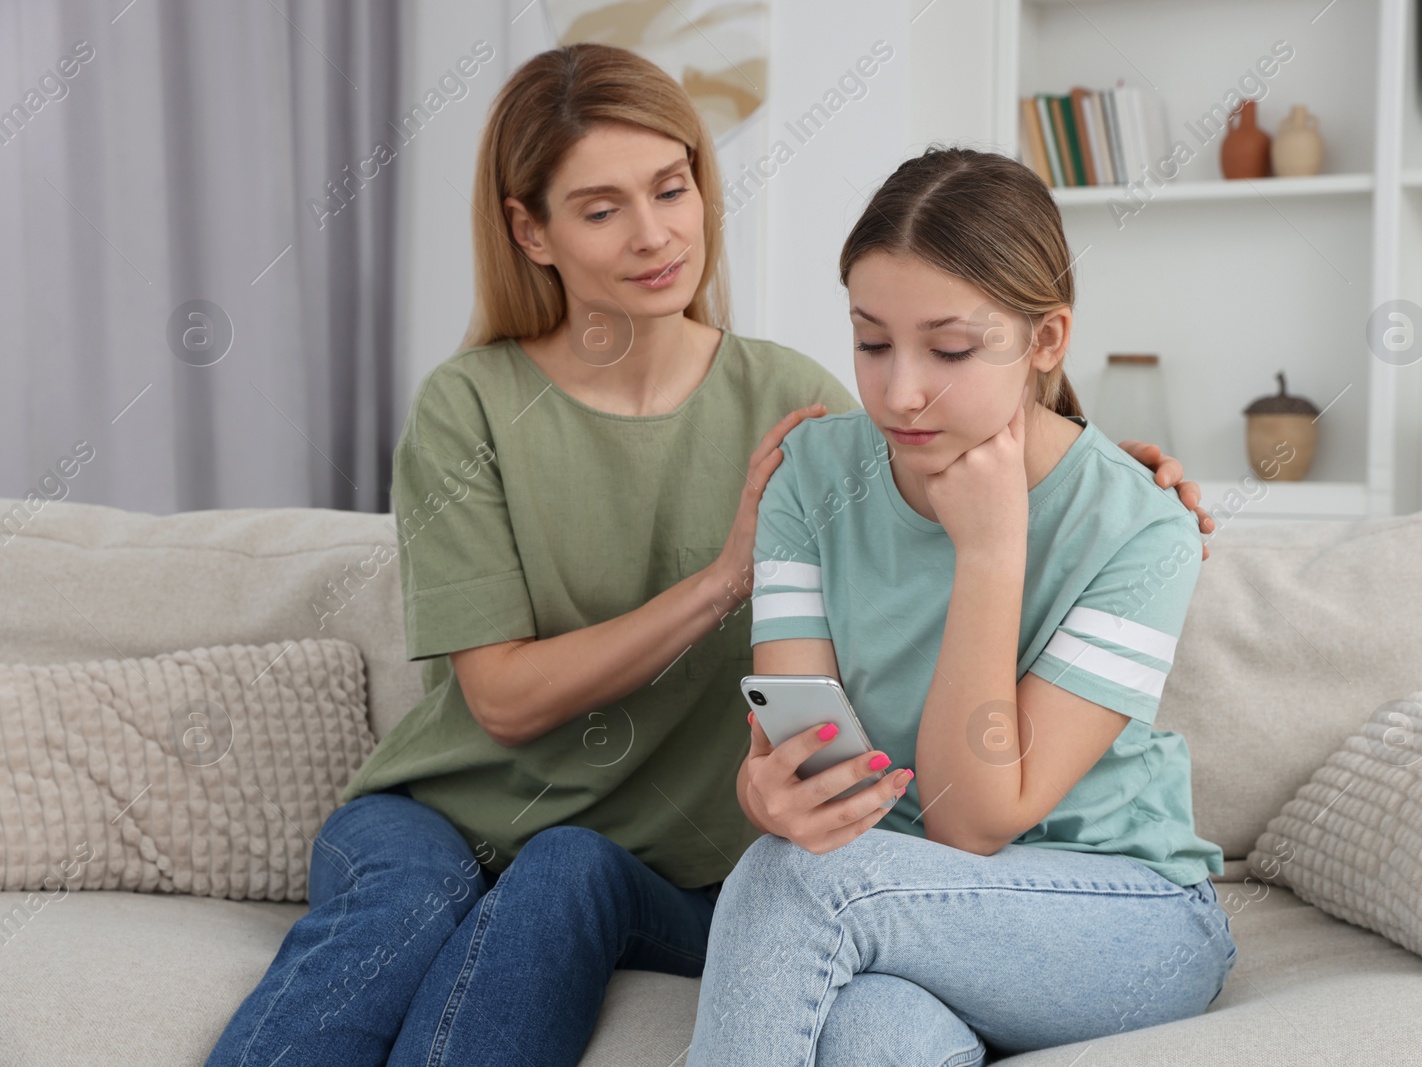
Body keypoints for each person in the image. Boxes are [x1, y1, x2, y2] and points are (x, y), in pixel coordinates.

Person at [206, 45, 1212, 1067]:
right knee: (845, 1025)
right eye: (600, 208)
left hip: (950, 882)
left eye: (670, 188)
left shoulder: (804, 410)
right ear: (530, 229)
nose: (900, 390)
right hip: (498, 816)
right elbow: (555, 708)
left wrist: (1053, 504)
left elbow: (969, 804)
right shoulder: (763, 452)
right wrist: (752, 726)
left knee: (779, 906)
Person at [684, 146, 1237, 1067]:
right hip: (908, 909)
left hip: (1122, 917)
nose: (899, 391)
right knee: (874, 1040)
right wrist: (768, 792)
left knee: (795, 884)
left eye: (948, 349)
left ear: (1046, 341)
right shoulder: (809, 482)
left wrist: (989, 552)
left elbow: (972, 817)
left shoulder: (1142, 528)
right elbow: (812, 766)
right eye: (870, 341)